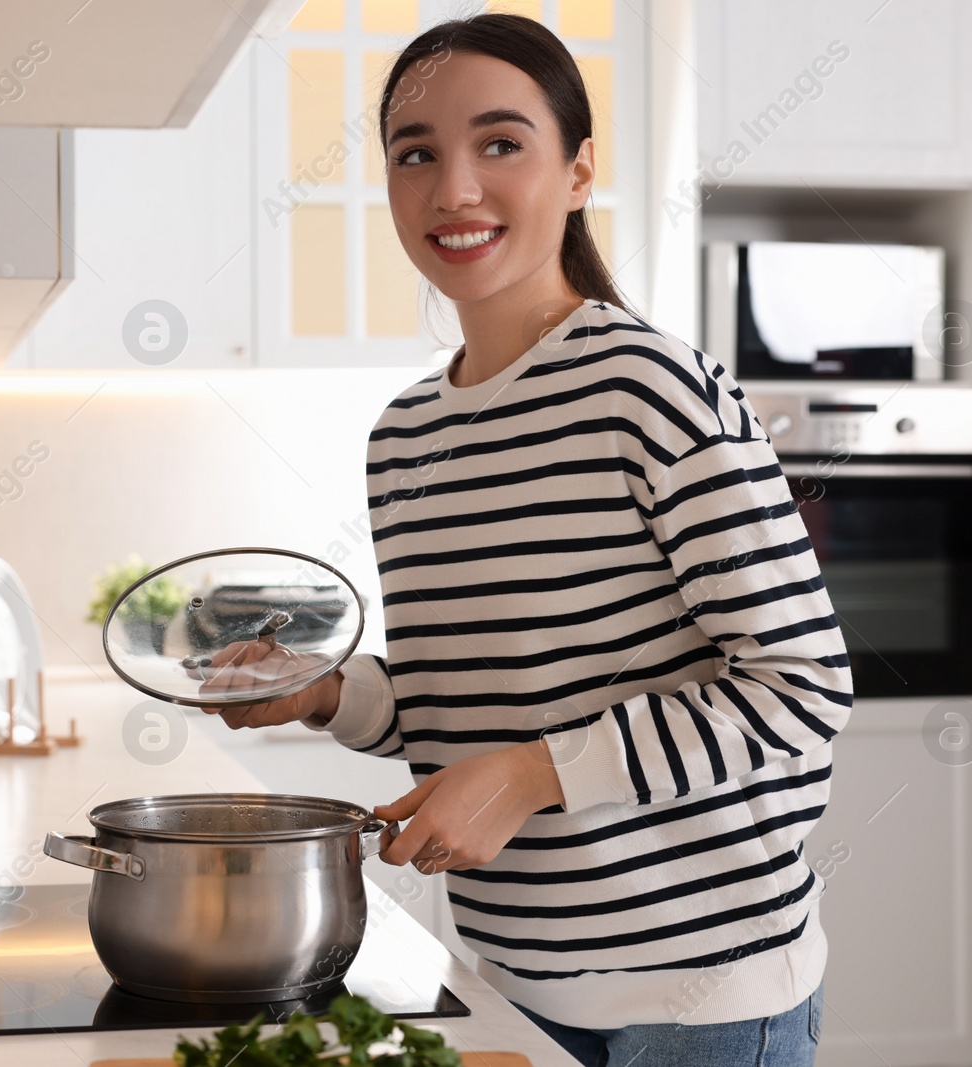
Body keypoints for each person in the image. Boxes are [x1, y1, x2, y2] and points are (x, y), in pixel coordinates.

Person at [197, 13, 850, 1067]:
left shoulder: (652, 390)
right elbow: (467, 691)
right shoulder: (405, 435)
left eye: (500, 143)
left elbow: (800, 687)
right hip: (508, 978)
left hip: (702, 1000)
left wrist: (532, 774)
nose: (453, 189)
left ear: (579, 170)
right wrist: (325, 690)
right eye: (416, 154)